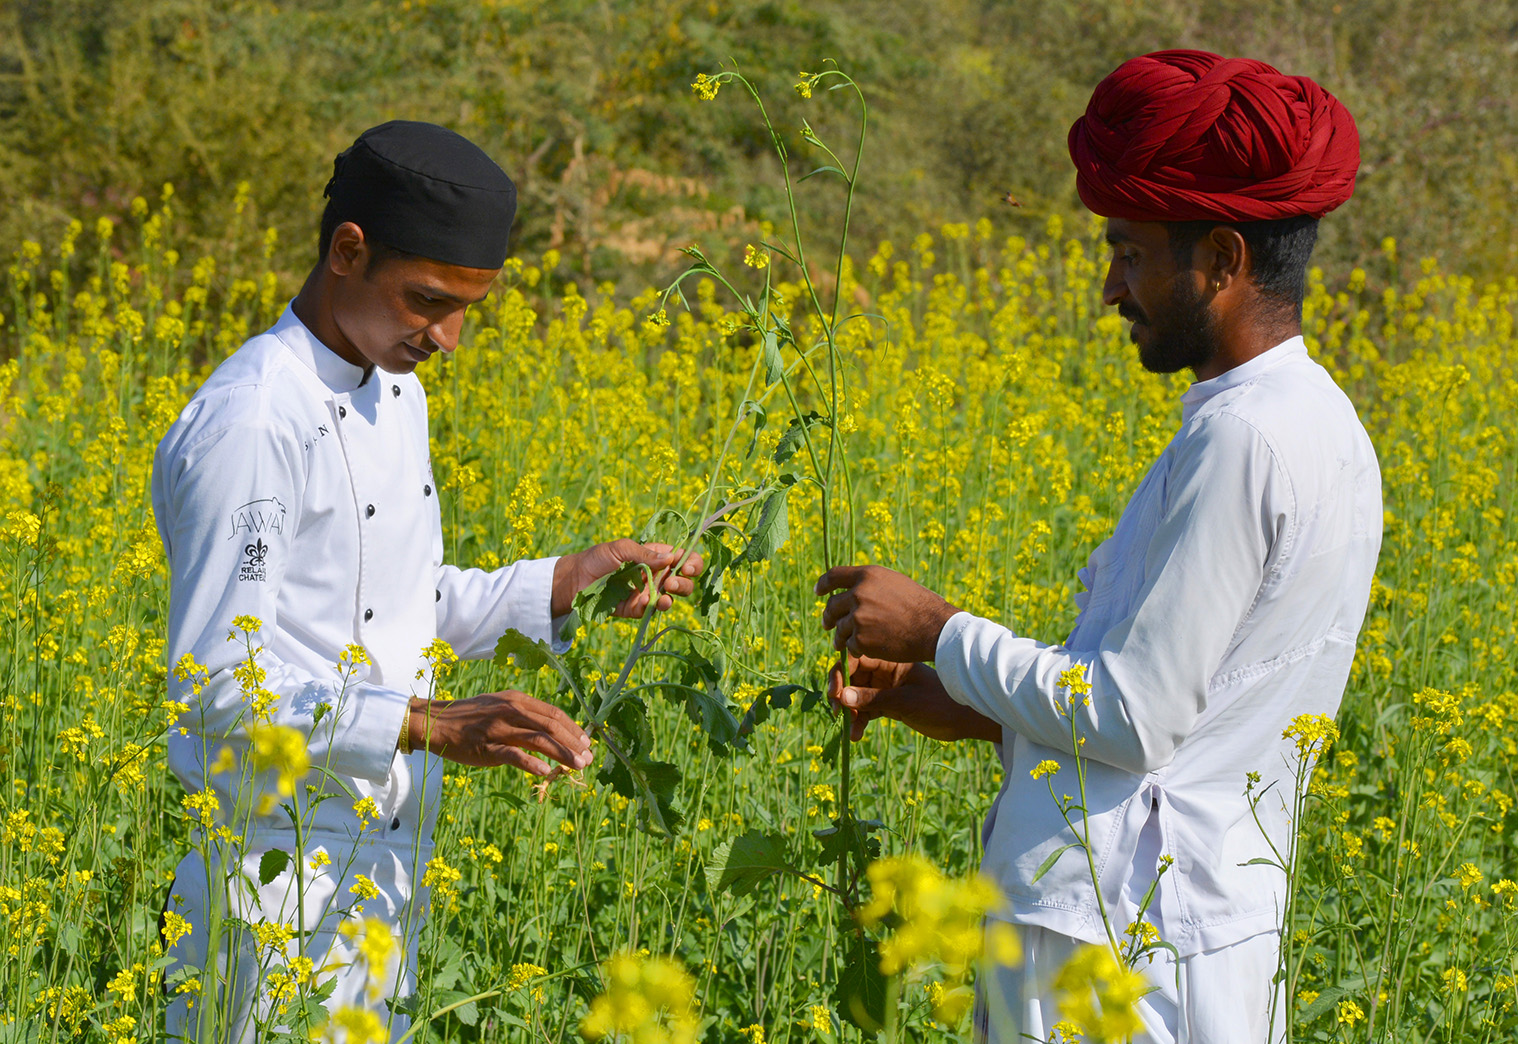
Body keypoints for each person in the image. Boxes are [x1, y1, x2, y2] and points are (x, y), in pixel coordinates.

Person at [817, 50, 1380, 1043]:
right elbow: (1196, 725)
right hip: (1183, 928)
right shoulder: (1316, 419)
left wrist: (940, 630)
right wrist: (966, 704)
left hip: (1119, 947)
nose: (1110, 289)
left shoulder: (1243, 438)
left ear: (1221, 259)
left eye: (1128, 253)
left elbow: (1135, 717)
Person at [153, 120, 700, 1041]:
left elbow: (400, 605)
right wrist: (424, 724)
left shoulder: (395, 390)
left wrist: (569, 582)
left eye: (466, 310)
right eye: (427, 301)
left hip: (386, 873)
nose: (446, 338)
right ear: (347, 250)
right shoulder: (253, 422)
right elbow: (212, 685)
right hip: (270, 885)